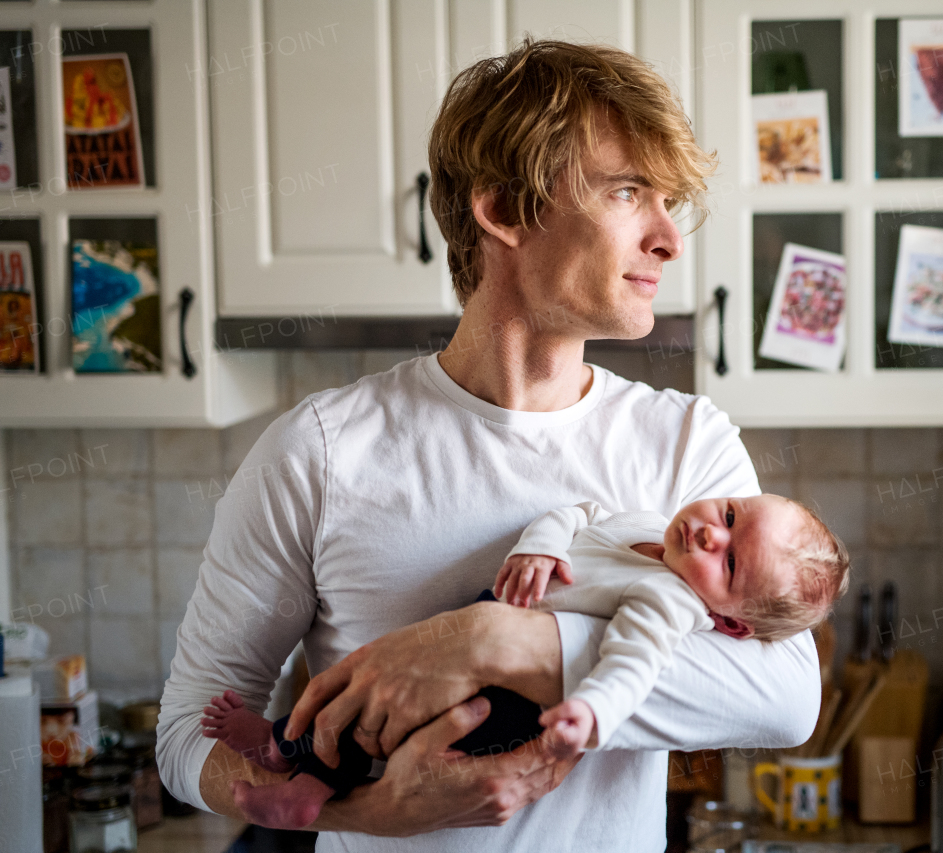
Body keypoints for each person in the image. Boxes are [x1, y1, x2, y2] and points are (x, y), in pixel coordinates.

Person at [157, 39, 822, 850]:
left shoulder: (686, 442)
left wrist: (493, 639)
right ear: (504, 210)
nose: (669, 239)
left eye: (667, 200)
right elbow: (187, 735)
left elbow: (784, 698)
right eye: (626, 191)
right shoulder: (318, 453)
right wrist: (359, 811)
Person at [198, 495, 848, 829]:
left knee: (404, 733)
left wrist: (591, 711)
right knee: (373, 689)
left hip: (515, 702)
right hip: (491, 608)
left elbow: (634, 662)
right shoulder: (647, 523)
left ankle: (308, 786)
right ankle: (285, 744)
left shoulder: (671, 598)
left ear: (728, 621)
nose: (712, 531)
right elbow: (576, 514)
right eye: (730, 512)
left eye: (729, 561)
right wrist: (538, 549)